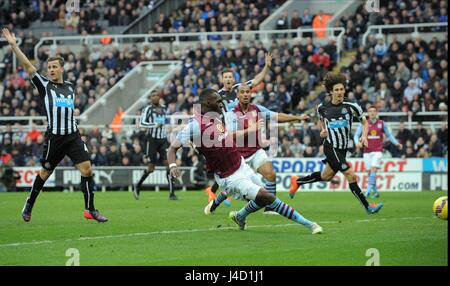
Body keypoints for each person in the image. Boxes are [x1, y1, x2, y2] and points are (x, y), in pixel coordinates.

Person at [168, 89, 322, 234]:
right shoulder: (194, 125)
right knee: (268, 198)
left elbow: (226, 136)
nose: (222, 104)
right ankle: (310, 224)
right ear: (207, 102)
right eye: (218, 101)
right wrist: (173, 164)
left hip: (240, 163)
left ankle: (240, 215)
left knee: (264, 198)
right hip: (229, 176)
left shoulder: (216, 116)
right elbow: (172, 149)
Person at [1, 28, 108, 222]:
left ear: (61, 69)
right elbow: (27, 65)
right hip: (55, 138)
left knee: (87, 169)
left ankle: (90, 209)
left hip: (73, 136)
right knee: (45, 173)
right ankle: (30, 203)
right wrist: (14, 45)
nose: (50, 70)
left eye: (53, 67)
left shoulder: (70, 87)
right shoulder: (44, 85)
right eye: (48, 67)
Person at [206, 83, 310, 215]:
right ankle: (215, 203)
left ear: (251, 94)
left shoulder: (257, 109)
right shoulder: (231, 114)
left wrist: (298, 118)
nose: (245, 94)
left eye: (247, 92)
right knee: (232, 188)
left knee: (271, 174)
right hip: (238, 156)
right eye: (242, 92)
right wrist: (251, 129)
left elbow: (277, 116)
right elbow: (229, 136)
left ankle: (270, 208)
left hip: (255, 151)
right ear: (237, 95)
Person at [289, 72, 383, 215]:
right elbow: (320, 121)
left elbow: (365, 123)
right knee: (351, 175)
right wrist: (322, 131)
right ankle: (368, 206)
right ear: (331, 92)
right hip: (331, 147)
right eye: (336, 90)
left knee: (326, 176)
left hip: (343, 149)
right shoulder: (322, 107)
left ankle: (298, 181)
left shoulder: (352, 106)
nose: (339, 92)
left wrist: (364, 136)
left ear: (344, 90)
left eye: (341, 89)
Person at [204, 52, 273, 205]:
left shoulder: (239, 89)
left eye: (230, 77)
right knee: (231, 166)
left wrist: (267, 67)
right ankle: (218, 192)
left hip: (243, 131)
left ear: (233, 79)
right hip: (228, 134)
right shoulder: (217, 96)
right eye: (226, 77)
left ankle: (215, 193)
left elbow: (256, 80)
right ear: (222, 80)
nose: (228, 79)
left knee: (234, 166)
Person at [133, 89, 177, 200]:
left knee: (169, 164)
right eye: (153, 95)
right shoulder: (147, 109)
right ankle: (138, 185)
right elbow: (142, 122)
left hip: (163, 140)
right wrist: (154, 125)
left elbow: (165, 122)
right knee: (151, 168)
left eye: (157, 95)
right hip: (152, 140)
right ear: (150, 98)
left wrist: (168, 129)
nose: (155, 97)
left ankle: (172, 193)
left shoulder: (164, 108)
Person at [353, 106, 403, 198]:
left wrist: (396, 143)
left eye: (374, 111)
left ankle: (367, 192)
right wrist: (357, 143)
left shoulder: (382, 123)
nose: (372, 113)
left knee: (373, 169)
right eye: (370, 111)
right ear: (368, 113)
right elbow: (356, 135)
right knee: (370, 173)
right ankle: (375, 192)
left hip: (378, 150)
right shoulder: (364, 123)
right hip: (367, 151)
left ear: (376, 113)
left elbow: (389, 135)